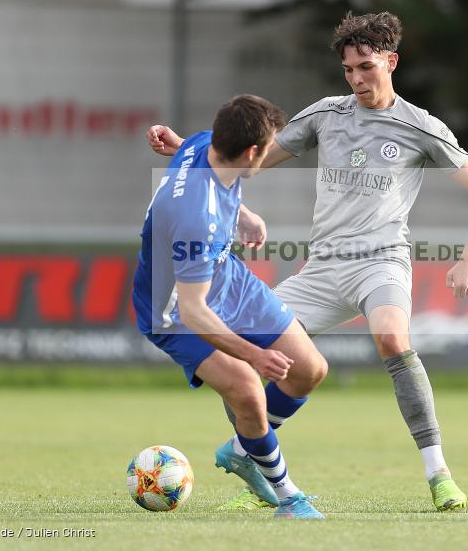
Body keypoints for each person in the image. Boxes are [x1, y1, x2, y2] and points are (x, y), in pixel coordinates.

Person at [148, 12, 468, 511]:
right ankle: (256, 464)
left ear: (391, 62)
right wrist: (185, 148)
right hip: (321, 268)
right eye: (349, 69)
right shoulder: (327, 115)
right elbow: (253, 157)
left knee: (392, 339)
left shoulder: (418, 126)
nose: (356, 78)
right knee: (246, 355)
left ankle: (438, 472)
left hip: (381, 260)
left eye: (366, 66)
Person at [132, 94, 328, 518]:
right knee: (248, 391)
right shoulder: (194, 221)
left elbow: (198, 166)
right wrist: (255, 355)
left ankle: (245, 449)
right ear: (252, 151)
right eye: (269, 147)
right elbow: (192, 312)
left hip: (227, 276)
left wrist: (242, 213)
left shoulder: (205, 143)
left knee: (310, 369)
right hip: (174, 310)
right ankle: (288, 496)